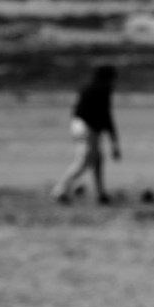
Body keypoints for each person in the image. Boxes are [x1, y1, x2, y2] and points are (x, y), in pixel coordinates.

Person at [52, 64, 121, 204]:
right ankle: (60, 189)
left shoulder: (88, 87)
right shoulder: (102, 90)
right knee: (84, 161)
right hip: (87, 128)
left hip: (78, 125)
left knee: (97, 159)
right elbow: (106, 116)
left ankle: (100, 193)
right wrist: (114, 141)